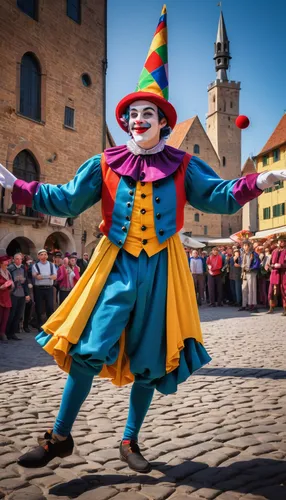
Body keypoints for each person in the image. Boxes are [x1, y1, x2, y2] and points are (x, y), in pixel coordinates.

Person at [0, 5, 285, 472]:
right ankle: (58, 437)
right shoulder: (107, 163)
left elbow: (218, 197)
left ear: (162, 122)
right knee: (89, 350)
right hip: (116, 265)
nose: (137, 119)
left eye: (146, 112)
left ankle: (130, 440)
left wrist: (258, 183)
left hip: (163, 266)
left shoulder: (184, 164)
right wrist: (21, 187)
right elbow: (67, 199)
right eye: (132, 112)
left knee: (152, 359)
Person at [6, 253, 30, 341]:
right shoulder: (10, 268)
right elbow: (8, 281)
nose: (18, 260)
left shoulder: (23, 268)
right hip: (13, 294)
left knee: (18, 314)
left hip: (22, 294)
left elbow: (26, 282)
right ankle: (7, 332)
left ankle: (13, 333)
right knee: (11, 314)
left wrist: (27, 294)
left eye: (20, 259)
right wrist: (15, 280)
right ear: (13, 260)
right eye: (17, 259)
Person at [32, 249, 57, 329]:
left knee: (50, 307)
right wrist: (49, 276)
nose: (44, 256)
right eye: (41, 255)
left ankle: (49, 325)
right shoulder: (35, 266)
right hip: (39, 289)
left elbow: (55, 276)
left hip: (49, 289)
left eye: (45, 254)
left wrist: (43, 276)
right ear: (38, 256)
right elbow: (36, 276)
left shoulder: (51, 265)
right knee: (39, 308)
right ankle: (39, 325)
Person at [239, 240, 260, 312]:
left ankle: (253, 305)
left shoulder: (254, 254)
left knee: (252, 289)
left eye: (245, 245)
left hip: (251, 272)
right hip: (244, 273)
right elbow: (240, 261)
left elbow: (257, 263)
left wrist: (251, 268)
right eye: (243, 245)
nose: (244, 247)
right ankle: (244, 305)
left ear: (249, 246)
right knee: (244, 289)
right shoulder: (243, 253)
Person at [267, 236, 286, 315]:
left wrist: (281, 265)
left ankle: (285, 309)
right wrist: (270, 266)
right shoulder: (274, 251)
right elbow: (271, 262)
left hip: (283, 273)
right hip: (274, 273)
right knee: (271, 291)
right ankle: (271, 307)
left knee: (284, 291)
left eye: (282, 241)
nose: (281, 242)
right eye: (279, 241)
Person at [0, 252, 14, 341]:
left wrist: (11, 285)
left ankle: (2, 333)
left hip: (7, 296)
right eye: (5, 261)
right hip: (0, 296)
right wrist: (1, 287)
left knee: (5, 317)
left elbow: (11, 282)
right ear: (1, 263)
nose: (7, 263)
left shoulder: (8, 272)